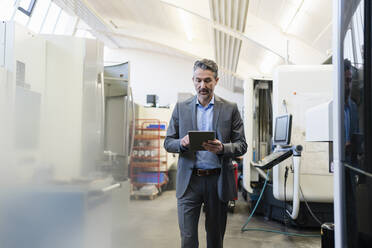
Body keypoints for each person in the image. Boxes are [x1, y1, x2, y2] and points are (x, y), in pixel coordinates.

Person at [164, 59, 247, 248]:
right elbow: (168, 142)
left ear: (216, 81)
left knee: (215, 239)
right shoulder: (181, 108)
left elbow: (242, 145)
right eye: (198, 80)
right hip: (189, 182)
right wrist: (182, 143)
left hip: (217, 181)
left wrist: (223, 149)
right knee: (188, 238)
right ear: (193, 80)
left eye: (208, 80)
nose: (203, 86)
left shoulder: (230, 109)